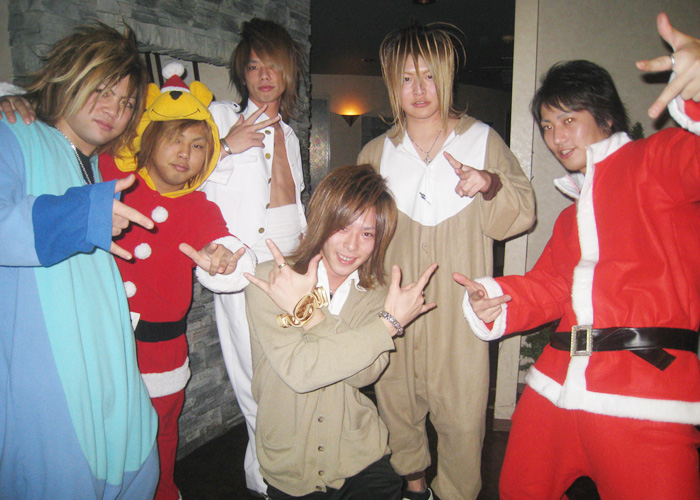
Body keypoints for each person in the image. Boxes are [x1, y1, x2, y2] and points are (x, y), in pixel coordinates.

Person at [457, 13, 700, 500]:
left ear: (605, 118)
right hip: (553, 389)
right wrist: (494, 298)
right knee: (519, 489)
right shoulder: (572, 216)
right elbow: (550, 287)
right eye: (548, 125)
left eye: (569, 119)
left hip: (645, 394)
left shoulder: (657, 162)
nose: (556, 137)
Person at [357, 23, 535, 500]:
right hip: (395, 307)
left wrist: (490, 184)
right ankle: (415, 486)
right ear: (392, 83)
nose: (419, 89)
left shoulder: (482, 142)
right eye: (406, 78)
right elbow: (353, 233)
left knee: (463, 414)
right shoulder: (376, 154)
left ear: (447, 77)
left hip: (460, 311)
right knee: (396, 404)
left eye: (429, 76)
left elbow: (520, 213)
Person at [0, 23, 159, 499]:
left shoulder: (95, 166)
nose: (115, 109)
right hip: (49, 390)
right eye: (102, 89)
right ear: (70, 77)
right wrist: (82, 215)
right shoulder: (15, 133)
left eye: (127, 101)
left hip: (113, 371)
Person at [101, 63, 257, 500]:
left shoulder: (200, 208)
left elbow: (223, 245)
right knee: (103, 433)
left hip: (161, 347)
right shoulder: (113, 175)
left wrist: (224, 259)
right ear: (149, 138)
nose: (185, 153)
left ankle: (163, 492)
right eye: (175, 139)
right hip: (101, 338)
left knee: (161, 431)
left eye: (198, 145)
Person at [244, 164, 437, 499]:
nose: (352, 245)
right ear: (322, 221)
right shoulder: (270, 280)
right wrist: (386, 326)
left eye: (367, 234)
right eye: (343, 227)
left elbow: (365, 373)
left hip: (361, 454)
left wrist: (306, 312)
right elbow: (300, 372)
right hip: (289, 459)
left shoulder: (377, 295)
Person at [200, 18, 307, 496]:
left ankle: (294, 466)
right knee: (251, 376)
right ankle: (265, 481)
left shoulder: (293, 135)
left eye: (273, 66)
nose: (264, 76)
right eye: (254, 66)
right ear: (242, 73)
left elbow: (295, 204)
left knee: (291, 368)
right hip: (242, 266)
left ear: (288, 73)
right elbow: (176, 178)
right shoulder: (220, 118)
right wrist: (225, 147)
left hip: (292, 263)